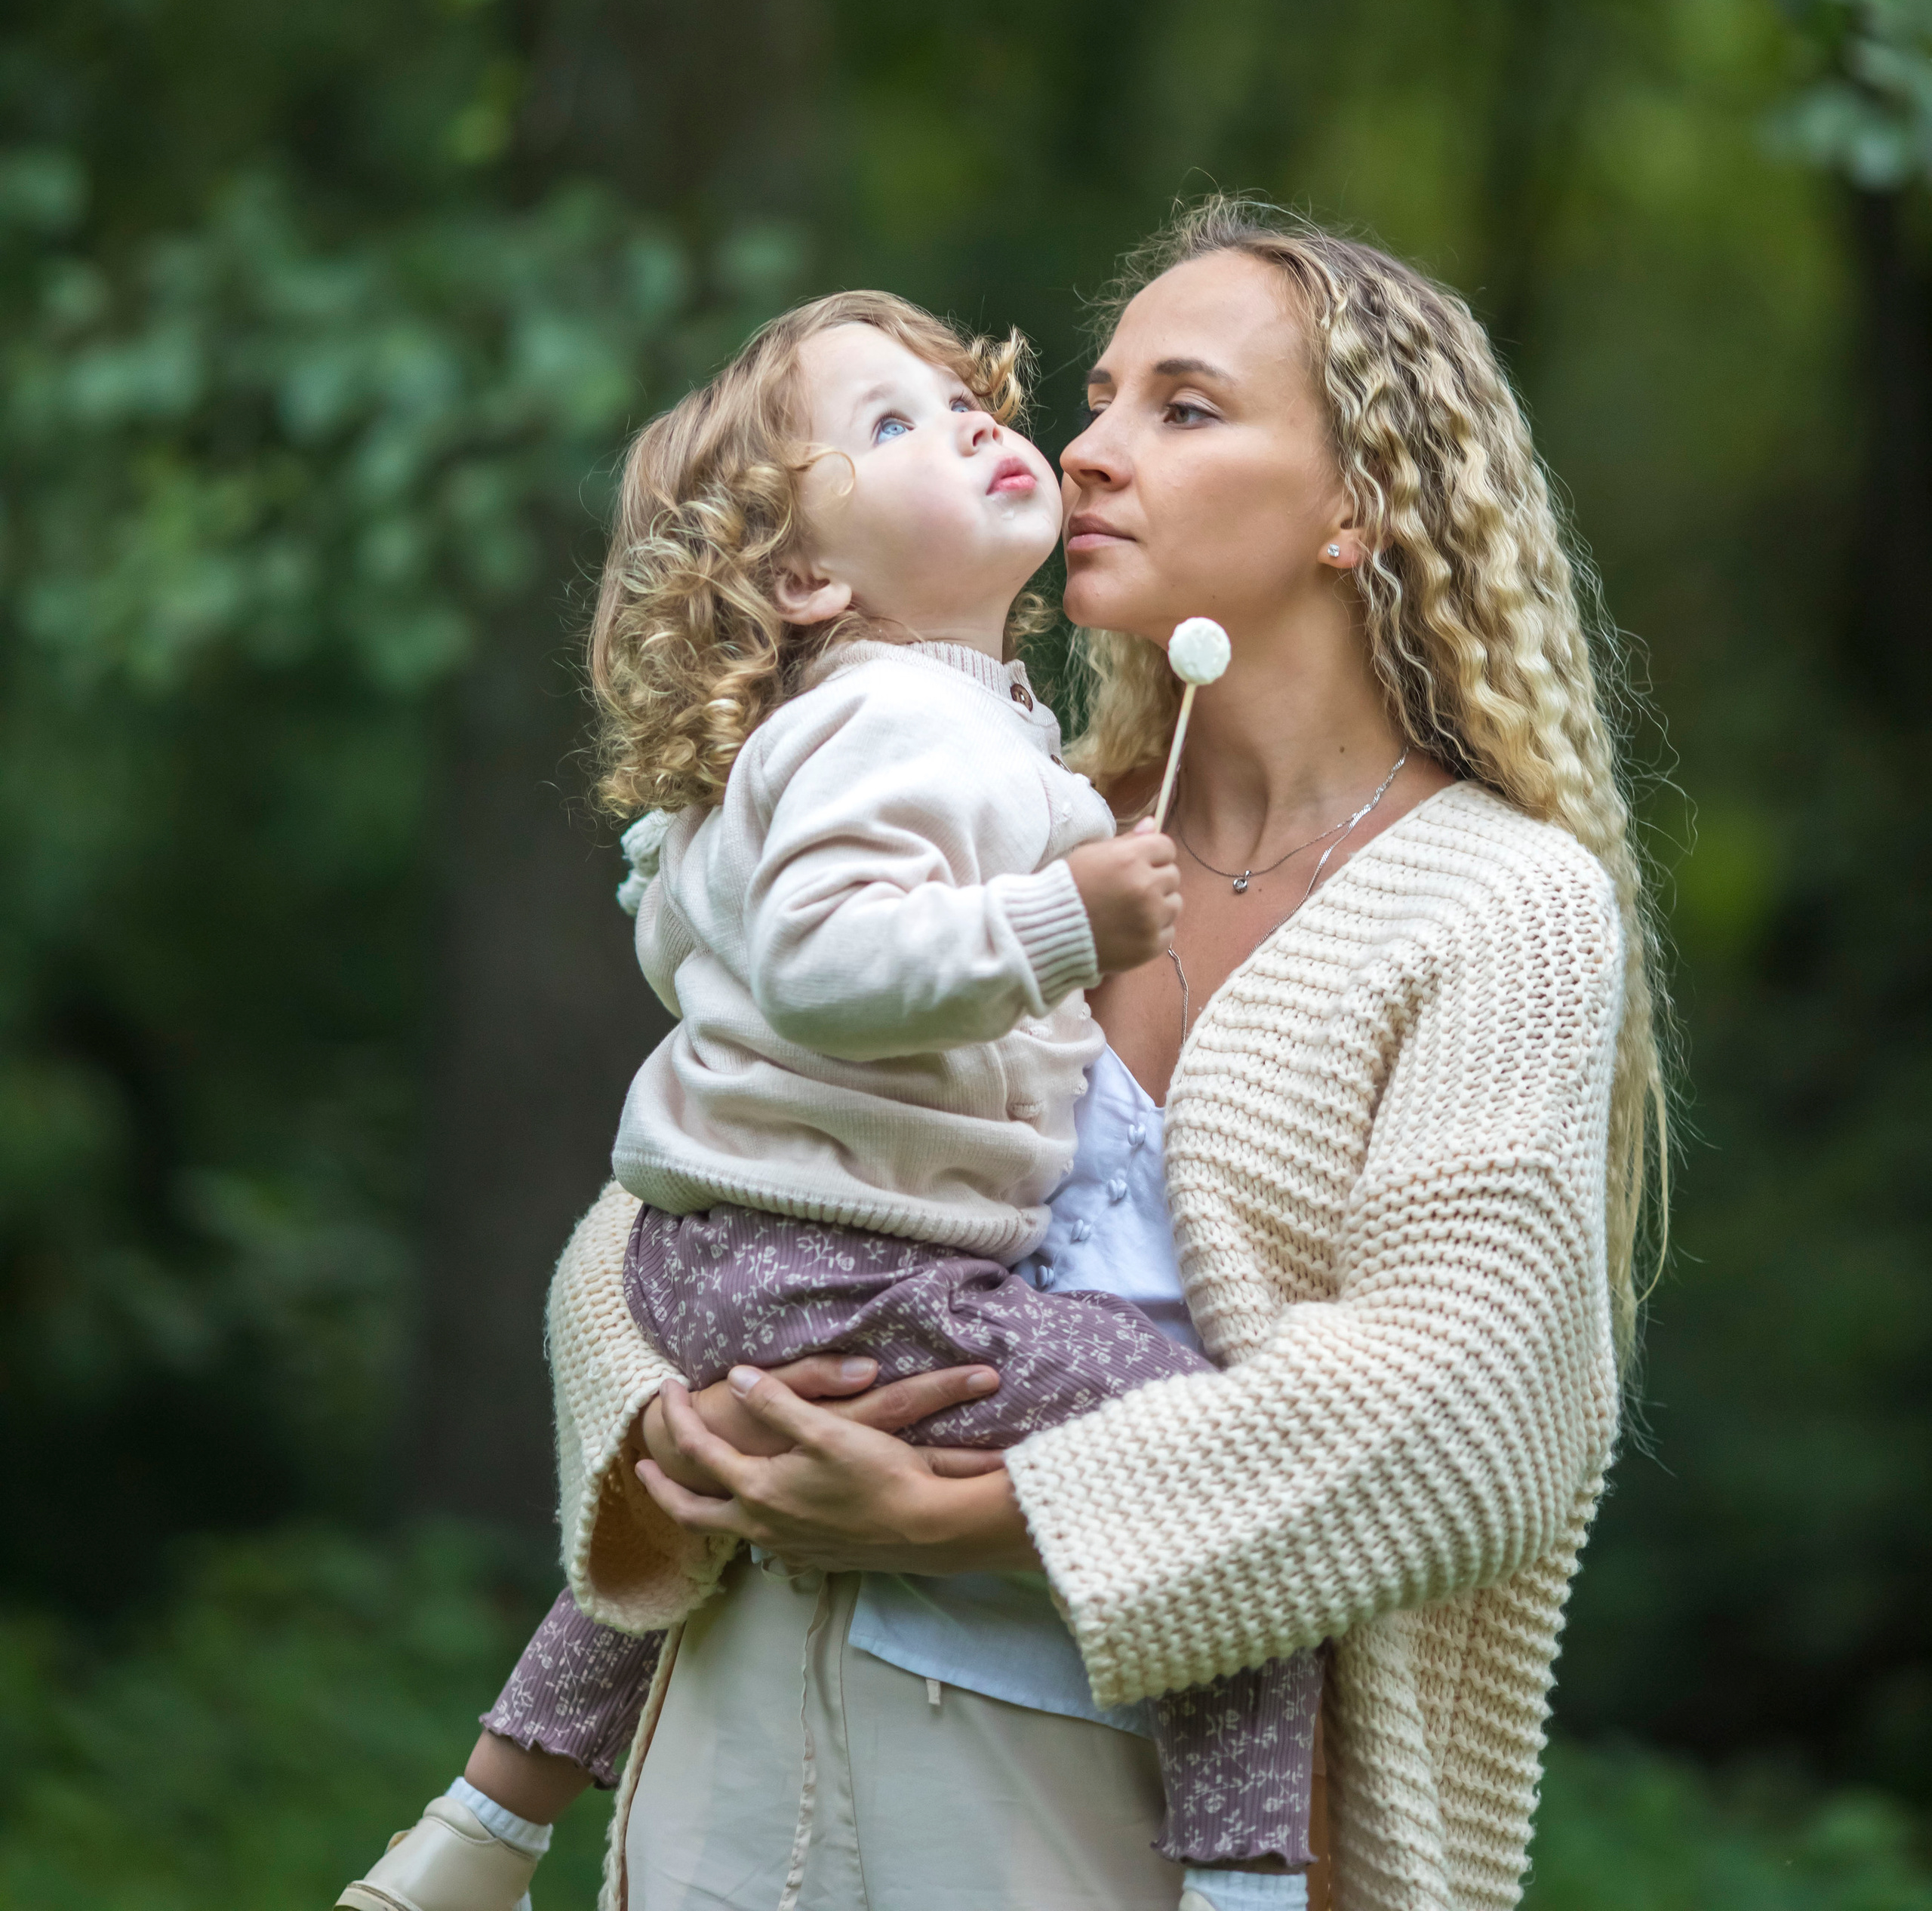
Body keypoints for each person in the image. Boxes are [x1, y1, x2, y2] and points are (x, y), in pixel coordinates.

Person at [535, 202, 1666, 1911]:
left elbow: (1469, 1413)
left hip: (1091, 1816)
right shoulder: (1014, 824)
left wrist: (953, 1518)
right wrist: (676, 1436)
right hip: (737, 1755)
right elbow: (675, 1192)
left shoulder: (1496, 901)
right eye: (1100, 397)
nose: (1084, 448)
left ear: (1359, 506)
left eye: (1181, 408)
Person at [340, 287, 1324, 1911]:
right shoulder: (897, 716)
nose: (981, 431)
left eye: (959, 404)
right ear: (806, 577)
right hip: (837, 1255)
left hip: (735, 1247)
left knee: (694, 1497)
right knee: (1191, 1473)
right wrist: (1067, 921)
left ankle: (481, 1827)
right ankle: (1243, 1886)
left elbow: (723, 954)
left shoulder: (885, 725)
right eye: (891, 426)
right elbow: (816, 957)